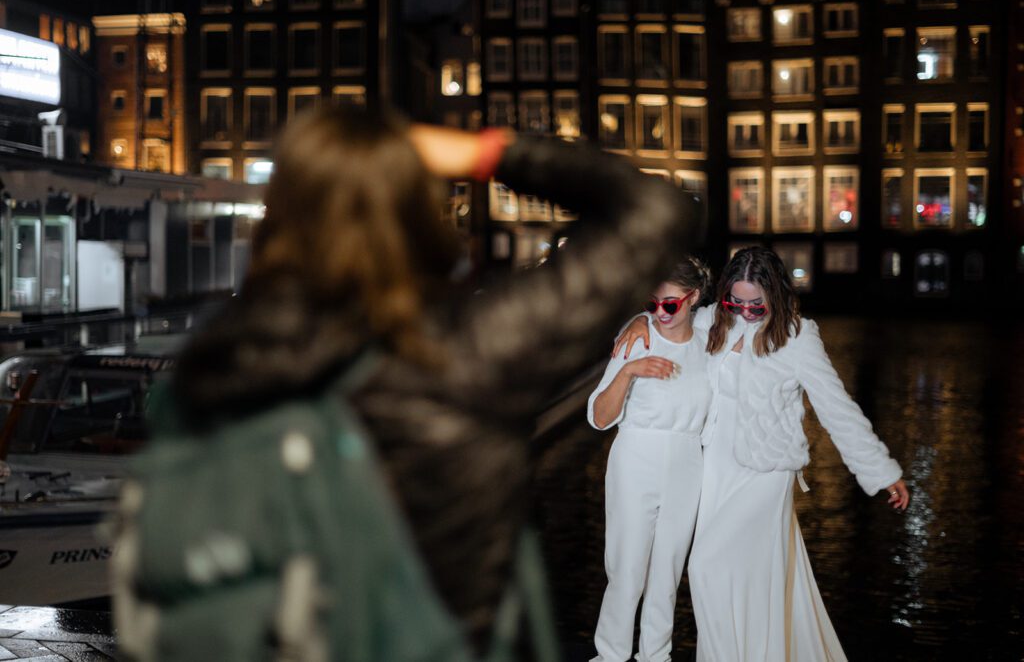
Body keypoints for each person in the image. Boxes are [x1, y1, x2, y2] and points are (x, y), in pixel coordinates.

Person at [112, 108, 701, 659]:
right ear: (418, 211)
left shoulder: (218, 358)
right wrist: (481, 151)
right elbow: (652, 213)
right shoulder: (476, 349)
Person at [614, 246, 909, 662]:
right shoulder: (713, 319)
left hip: (766, 473)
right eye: (738, 302)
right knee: (736, 578)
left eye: (757, 305)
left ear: (776, 294)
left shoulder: (798, 336)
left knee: (705, 568)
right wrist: (638, 322)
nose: (747, 312)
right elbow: (667, 316)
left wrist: (880, 471)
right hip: (715, 468)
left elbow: (836, 407)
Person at [587, 258, 712, 662]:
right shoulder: (638, 339)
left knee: (668, 572)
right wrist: (628, 372)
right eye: (652, 304)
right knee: (626, 568)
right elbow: (600, 417)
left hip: (689, 461)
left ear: (692, 299)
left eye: (670, 305)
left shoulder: (710, 341)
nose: (660, 313)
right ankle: (611, 655)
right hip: (636, 456)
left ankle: (655, 656)